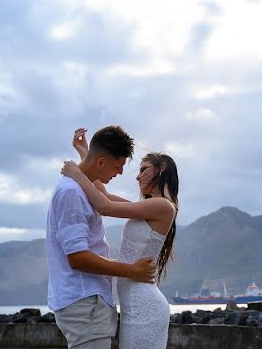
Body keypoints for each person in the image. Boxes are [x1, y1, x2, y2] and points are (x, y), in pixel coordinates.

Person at [62, 128, 179, 349]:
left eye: (143, 169)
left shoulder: (162, 206)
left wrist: (76, 173)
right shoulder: (147, 207)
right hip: (134, 305)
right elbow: (104, 196)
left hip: (144, 306)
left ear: (162, 168)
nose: (137, 175)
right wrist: (86, 155)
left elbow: (104, 207)